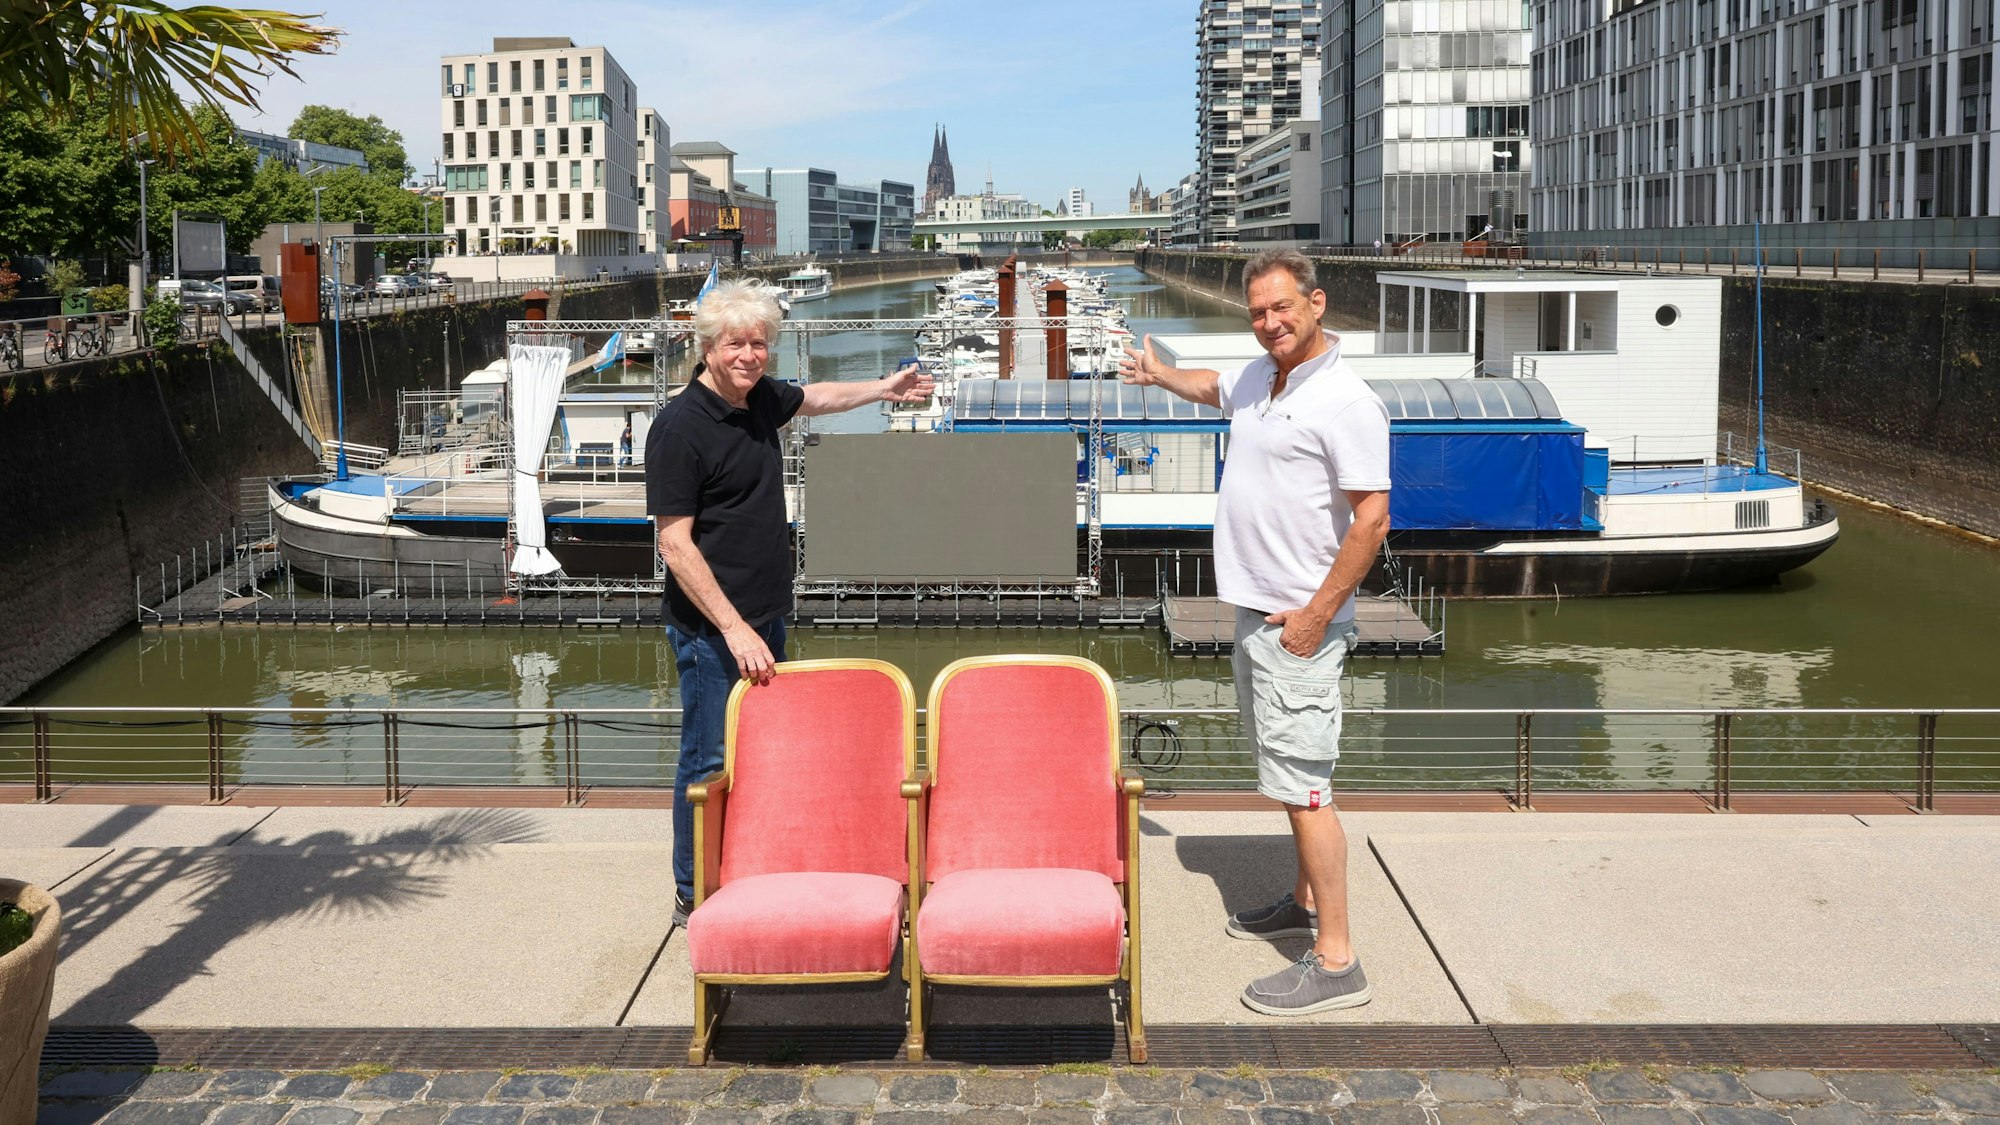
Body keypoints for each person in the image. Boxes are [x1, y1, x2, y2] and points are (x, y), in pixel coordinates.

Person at [1118, 249, 1390, 1015]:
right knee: (1283, 773)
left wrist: (1312, 615)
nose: (1269, 322)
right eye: (1258, 312)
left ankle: (1338, 961)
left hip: (1297, 624)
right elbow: (1212, 388)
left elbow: (1373, 518)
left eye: (1281, 308)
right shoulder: (1260, 376)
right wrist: (1160, 375)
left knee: (1307, 789)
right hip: (1258, 613)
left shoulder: (1345, 401)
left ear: (1317, 303)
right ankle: (1301, 904)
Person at [646, 278, 935, 926]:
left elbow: (819, 396)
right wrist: (735, 629)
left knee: (764, 750)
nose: (750, 355)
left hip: (765, 616)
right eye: (736, 343)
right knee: (708, 756)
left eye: (760, 343)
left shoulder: (755, 400)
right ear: (707, 346)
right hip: (714, 633)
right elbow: (675, 544)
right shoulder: (679, 428)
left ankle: (747, 864)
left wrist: (885, 390)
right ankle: (692, 892)